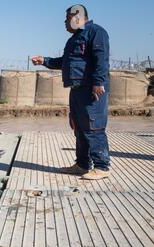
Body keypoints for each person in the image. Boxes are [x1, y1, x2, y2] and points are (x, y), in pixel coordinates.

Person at [32, 4, 111, 180]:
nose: (64, 22)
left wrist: (98, 82)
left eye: (67, 18)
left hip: (92, 90)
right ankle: (82, 165)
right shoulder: (74, 39)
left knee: (93, 127)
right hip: (76, 90)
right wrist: (44, 61)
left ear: (77, 17)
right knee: (80, 129)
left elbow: (101, 59)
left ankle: (102, 167)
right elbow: (65, 62)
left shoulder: (96, 32)